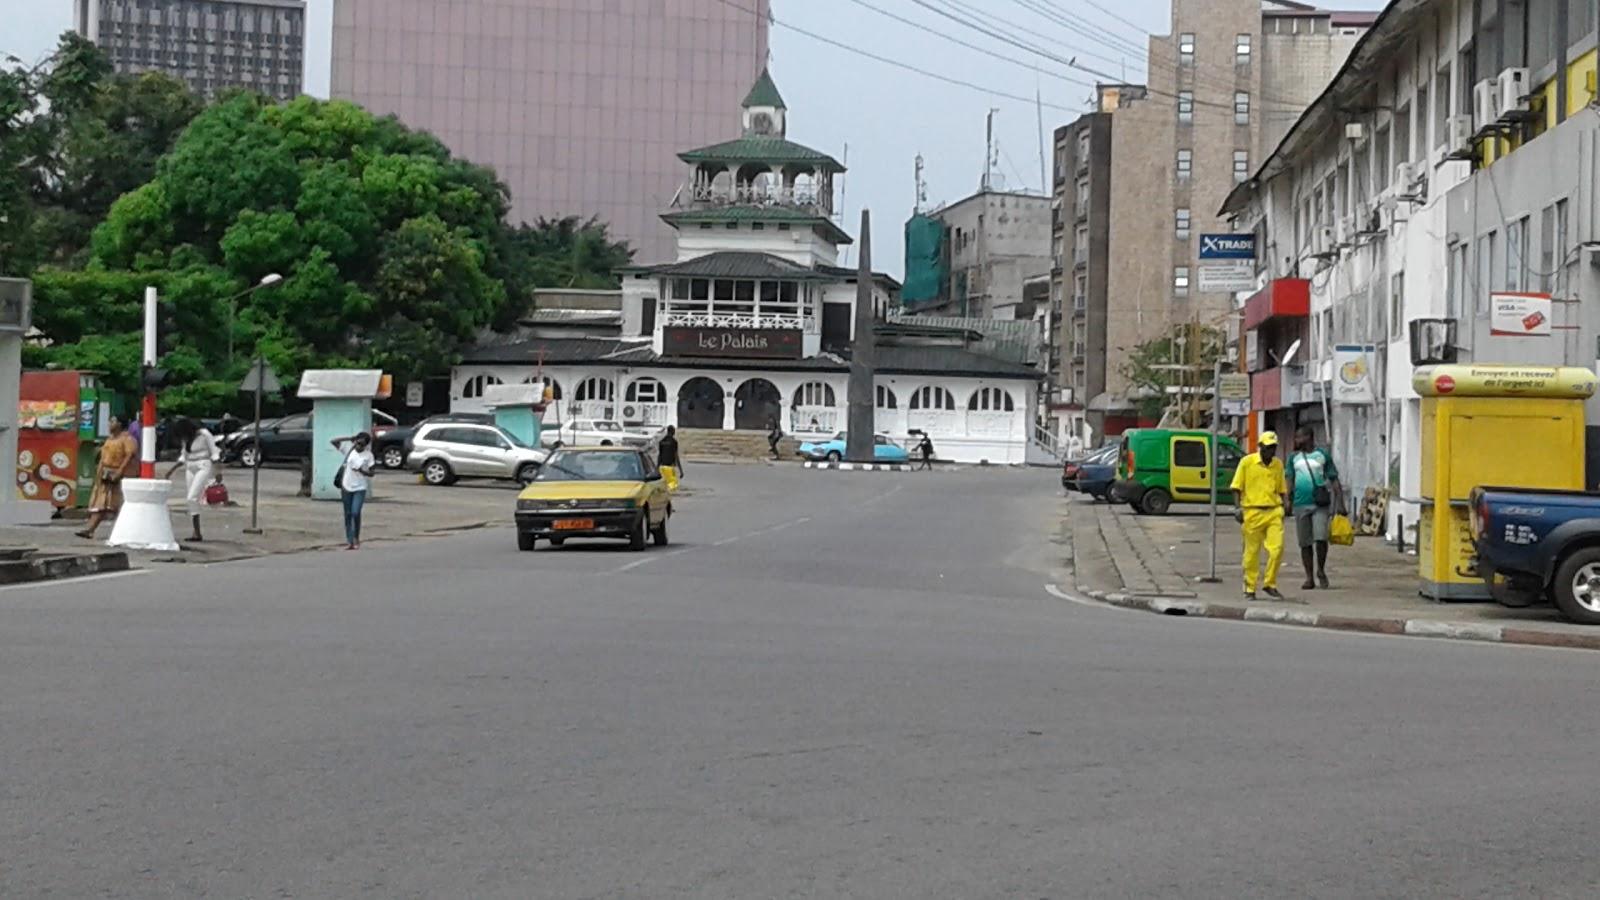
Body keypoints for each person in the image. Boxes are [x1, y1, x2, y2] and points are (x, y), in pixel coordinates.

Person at [1230, 430, 1288, 601]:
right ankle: (1249, 587)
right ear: (1260, 447)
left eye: (1273, 448)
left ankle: (1270, 583)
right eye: (1268, 447)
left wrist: (1285, 504)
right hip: (1252, 511)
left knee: (1277, 549)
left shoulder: (1277, 465)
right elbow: (1236, 487)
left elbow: (1281, 488)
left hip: (1273, 511)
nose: (1271, 451)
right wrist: (1237, 509)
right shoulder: (1247, 462)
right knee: (1251, 553)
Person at [1288, 425, 1342, 590]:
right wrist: (1287, 499)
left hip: (1320, 504)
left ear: (1309, 437)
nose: (1297, 440)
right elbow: (1289, 479)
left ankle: (1321, 570)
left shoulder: (1322, 455)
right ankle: (1309, 577)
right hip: (1300, 503)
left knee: (1321, 538)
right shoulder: (1293, 458)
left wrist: (1340, 502)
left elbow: (1333, 478)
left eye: (1299, 437)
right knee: (1305, 543)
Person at [75, 416, 139, 540]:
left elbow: (129, 456)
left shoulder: (127, 439)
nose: (109, 424)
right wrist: (99, 474)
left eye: (112, 421)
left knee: (117, 505)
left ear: (120, 424)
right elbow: (103, 459)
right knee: (102, 504)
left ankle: (93, 529)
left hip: (118, 476)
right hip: (105, 474)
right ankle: (90, 529)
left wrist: (119, 472)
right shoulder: (109, 439)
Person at [166, 417, 221, 543]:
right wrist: (172, 470)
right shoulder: (186, 439)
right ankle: (196, 531)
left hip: (203, 465)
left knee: (192, 497)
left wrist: (218, 471)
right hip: (190, 467)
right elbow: (183, 456)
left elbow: (214, 453)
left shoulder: (204, 434)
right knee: (191, 500)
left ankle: (197, 532)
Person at [332, 432, 377, 550]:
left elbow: (372, 473)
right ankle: (350, 540)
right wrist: (349, 438)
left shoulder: (368, 455)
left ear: (366, 445)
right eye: (357, 443)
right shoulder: (349, 450)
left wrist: (362, 471)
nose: (359, 446)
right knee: (347, 514)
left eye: (362, 444)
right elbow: (334, 441)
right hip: (346, 485)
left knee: (355, 512)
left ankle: (356, 536)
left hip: (360, 487)